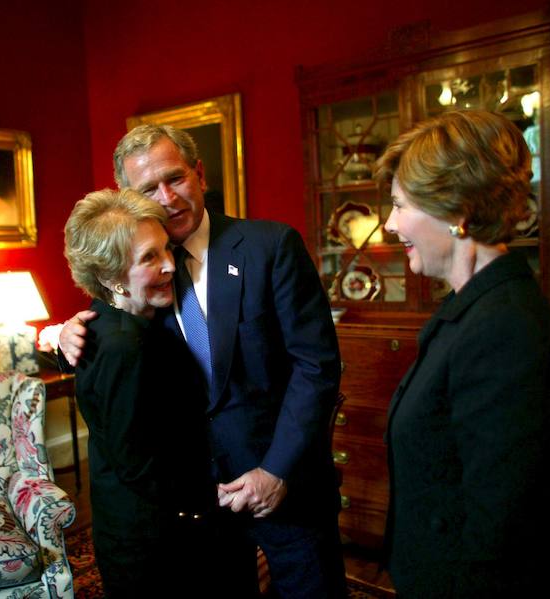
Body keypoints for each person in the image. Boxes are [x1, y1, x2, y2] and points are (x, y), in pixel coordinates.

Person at [47, 124, 346, 597]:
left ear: (199, 173)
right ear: (131, 199)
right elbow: (116, 339)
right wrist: (60, 335)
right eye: (148, 189)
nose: (167, 198)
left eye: (175, 178)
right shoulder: (141, 277)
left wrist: (276, 472)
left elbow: (317, 368)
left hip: (283, 492)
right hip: (197, 511)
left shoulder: (270, 247)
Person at [373, 110, 550, 597]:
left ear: (456, 212)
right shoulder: (470, 309)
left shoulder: (504, 325)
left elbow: (498, 525)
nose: (390, 224)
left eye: (399, 206)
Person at [63, 187, 217, 596]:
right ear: (111, 276)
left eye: (166, 249)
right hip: (151, 541)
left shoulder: (111, 321)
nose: (170, 265)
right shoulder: (123, 345)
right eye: (149, 257)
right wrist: (210, 501)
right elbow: (137, 464)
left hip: (144, 525)